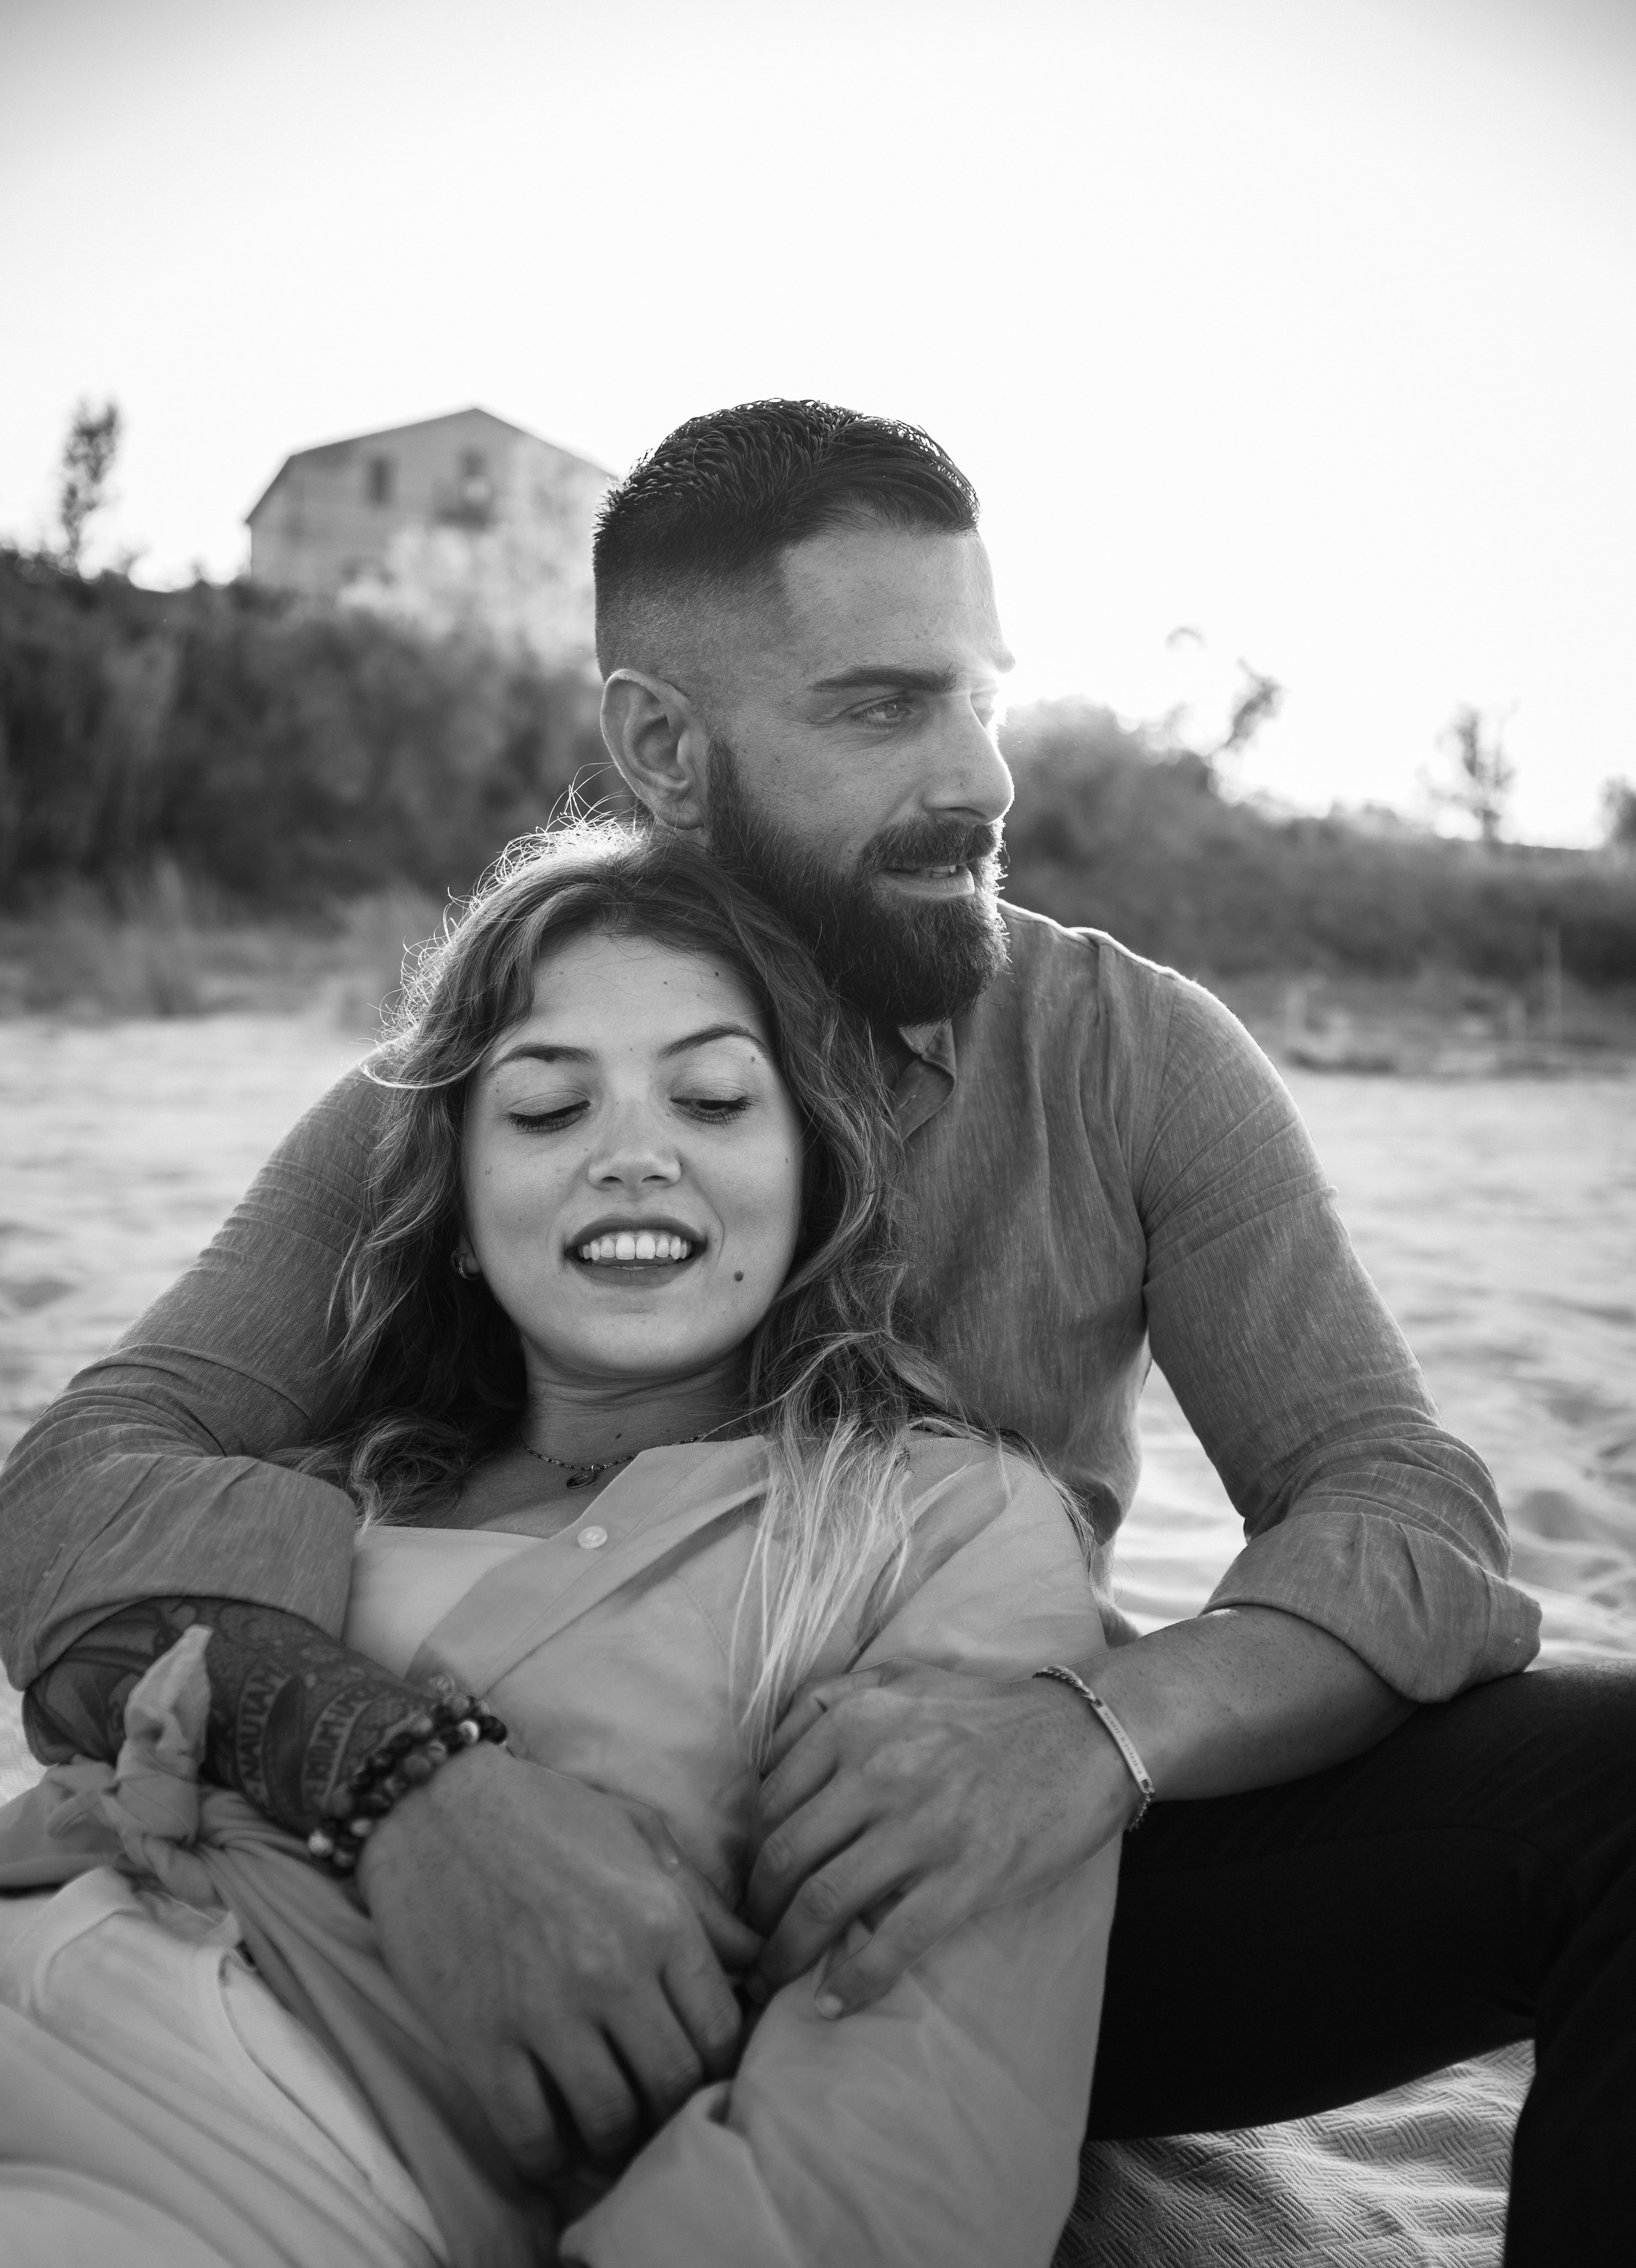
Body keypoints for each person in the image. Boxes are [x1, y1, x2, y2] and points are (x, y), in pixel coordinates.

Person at [3, 400, 1631, 2265]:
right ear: (663, 745)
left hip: (952, 1858)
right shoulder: (496, 1069)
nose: (982, 778)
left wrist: (1092, 1732)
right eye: (880, 708)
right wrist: (413, 1783)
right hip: (517, 1803)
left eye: (983, 696)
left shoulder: (1135, 1053)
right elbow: (77, 1486)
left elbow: (1405, 1514)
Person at [0, 824, 1117, 2268]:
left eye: (713, 1098)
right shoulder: (321, 1475)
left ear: (813, 1177)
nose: (635, 1156)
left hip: (238, 2164)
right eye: (543, 1111)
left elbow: (903, 2133)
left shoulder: (928, 1523)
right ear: (459, 1214)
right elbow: (68, 1619)